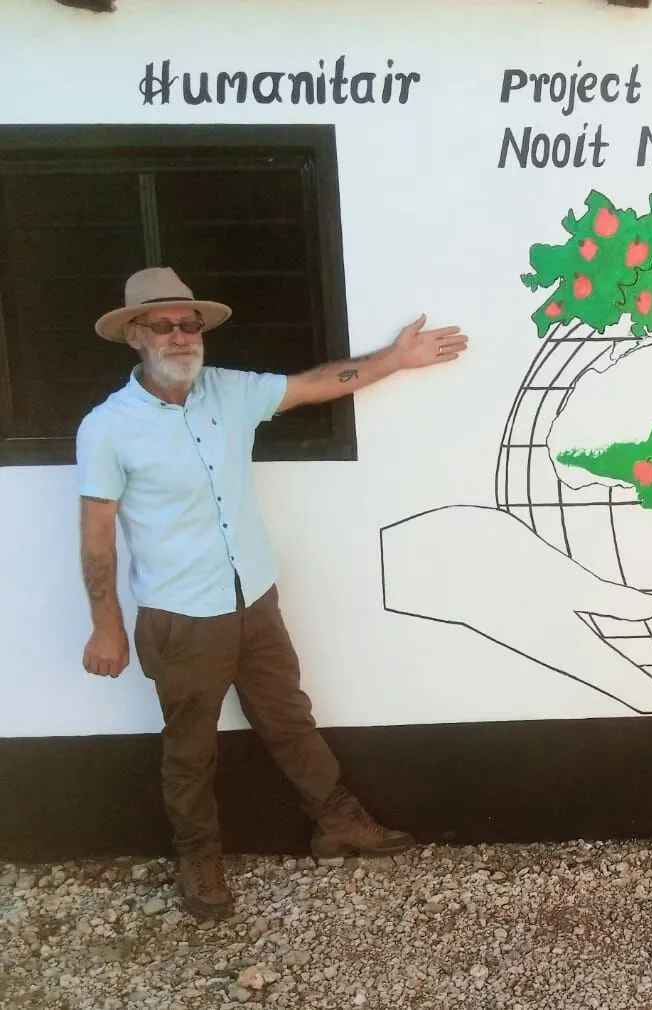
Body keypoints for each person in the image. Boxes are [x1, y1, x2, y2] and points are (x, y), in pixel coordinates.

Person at [75, 266, 469, 920]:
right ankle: (198, 859)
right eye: (162, 325)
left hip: (252, 596)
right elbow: (97, 539)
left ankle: (337, 821)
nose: (179, 335)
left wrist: (395, 359)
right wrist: (106, 625)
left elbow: (318, 384)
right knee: (190, 748)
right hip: (180, 616)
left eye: (189, 323)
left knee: (288, 717)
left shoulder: (231, 392)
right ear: (134, 336)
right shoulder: (107, 427)